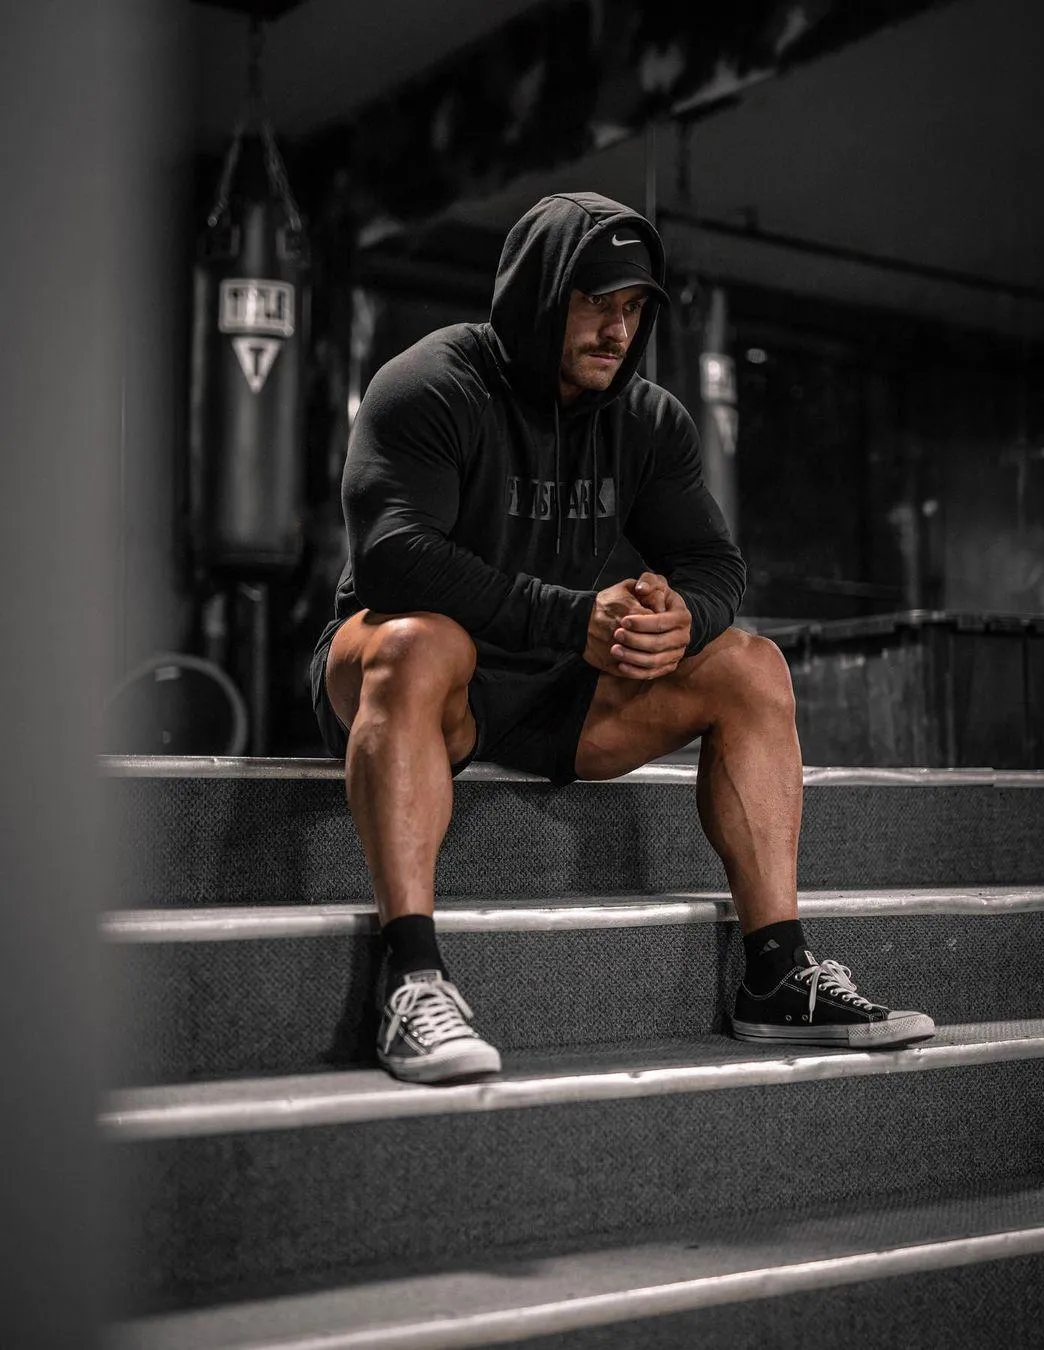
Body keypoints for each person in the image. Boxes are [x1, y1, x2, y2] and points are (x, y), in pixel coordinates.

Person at [309, 190, 935, 1084]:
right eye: (596, 301)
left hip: (556, 694)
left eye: (634, 307)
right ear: (540, 294)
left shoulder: (647, 420)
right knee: (419, 640)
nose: (617, 328)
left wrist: (685, 617)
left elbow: (715, 563)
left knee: (751, 665)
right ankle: (411, 980)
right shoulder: (434, 382)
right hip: (417, 686)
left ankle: (776, 974)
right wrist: (574, 616)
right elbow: (391, 559)